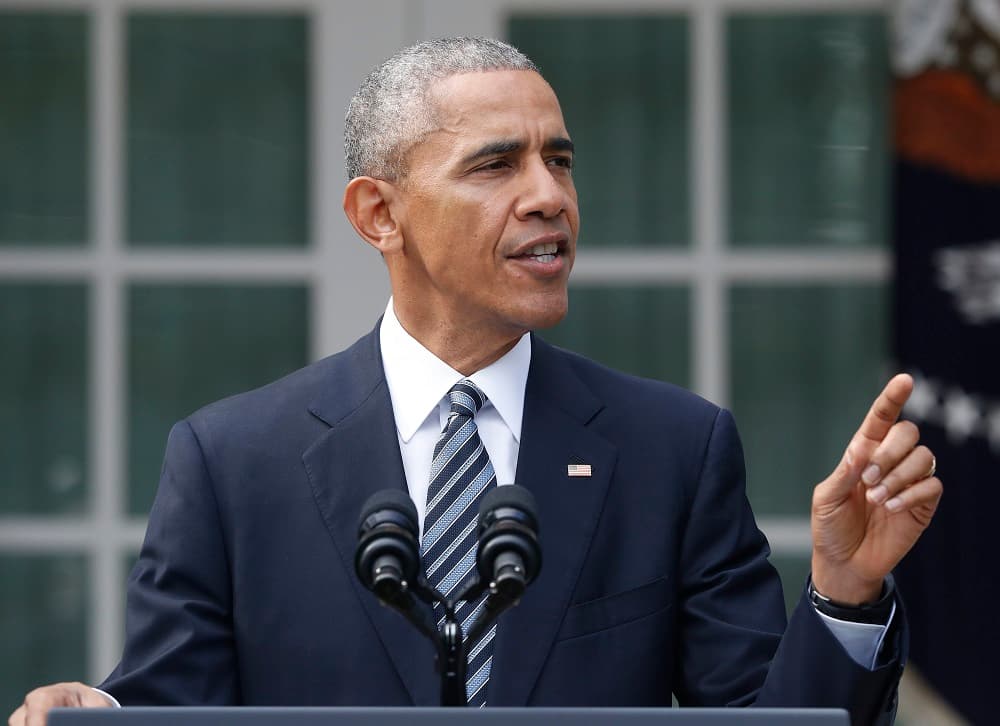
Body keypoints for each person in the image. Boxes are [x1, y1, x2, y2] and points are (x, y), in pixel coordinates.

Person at [9, 37, 942, 726]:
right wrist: (91, 711)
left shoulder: (675, 449)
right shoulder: (230, 462)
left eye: (560, 160)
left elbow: (760, 722)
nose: (550, 195)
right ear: (380, 214)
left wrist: (841, 596)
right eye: (497, 164)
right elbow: (169, 708)